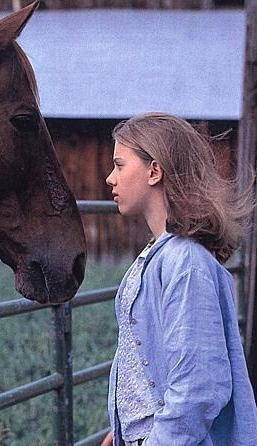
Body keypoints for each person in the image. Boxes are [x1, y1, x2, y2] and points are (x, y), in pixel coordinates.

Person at [100, 112, 257, 446]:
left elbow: (198, 388)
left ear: (154, 171)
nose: (110, 178)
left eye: (120, 165)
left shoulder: (185, 262)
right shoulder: (159, 254)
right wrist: (125, 428)